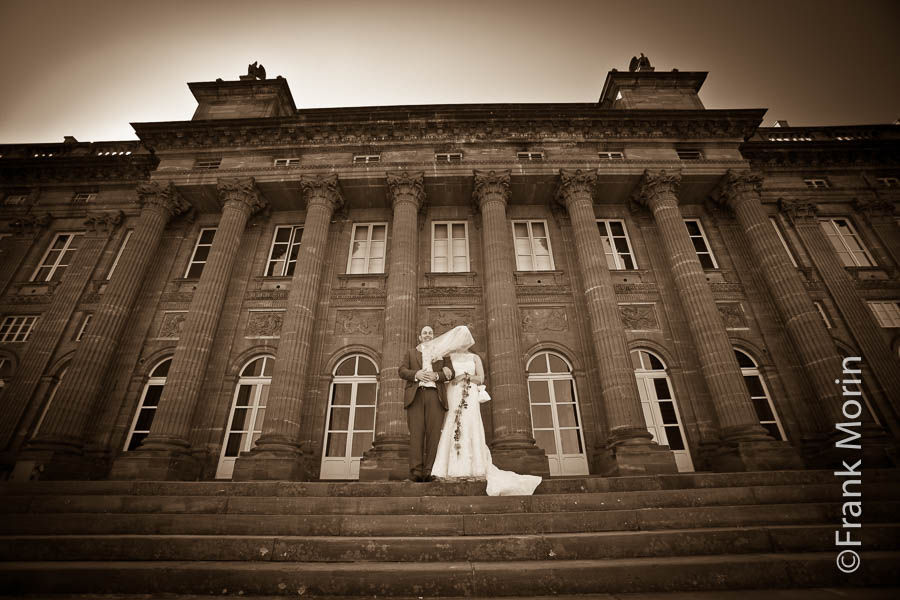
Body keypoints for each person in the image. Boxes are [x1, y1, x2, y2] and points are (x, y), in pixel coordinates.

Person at [429, 325, 542, 496]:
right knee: (453, 423)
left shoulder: (475, 358)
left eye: (465, 339)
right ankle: (449, 469)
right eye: (460, 339)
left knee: (471, 423)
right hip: (454, 391)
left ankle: (475, 468)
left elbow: (481, 378)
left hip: (471, 392)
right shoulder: (448, 357)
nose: (462, 342)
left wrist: (466, 377)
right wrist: (450, 375)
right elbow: (445, 375)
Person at [399, 325, 454, 482]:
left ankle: (430, 470)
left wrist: (436, 376)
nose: (428, 335)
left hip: (435, 396)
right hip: (415, 396)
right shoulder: (411, 353)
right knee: (416, 434)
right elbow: (401, 370)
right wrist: (416, 374)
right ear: (420, 337)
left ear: (433, 336)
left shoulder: (442, 353)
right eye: (425, 333)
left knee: (434, 434)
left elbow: (451, 373)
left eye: (430, 333)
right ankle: (416, 471)